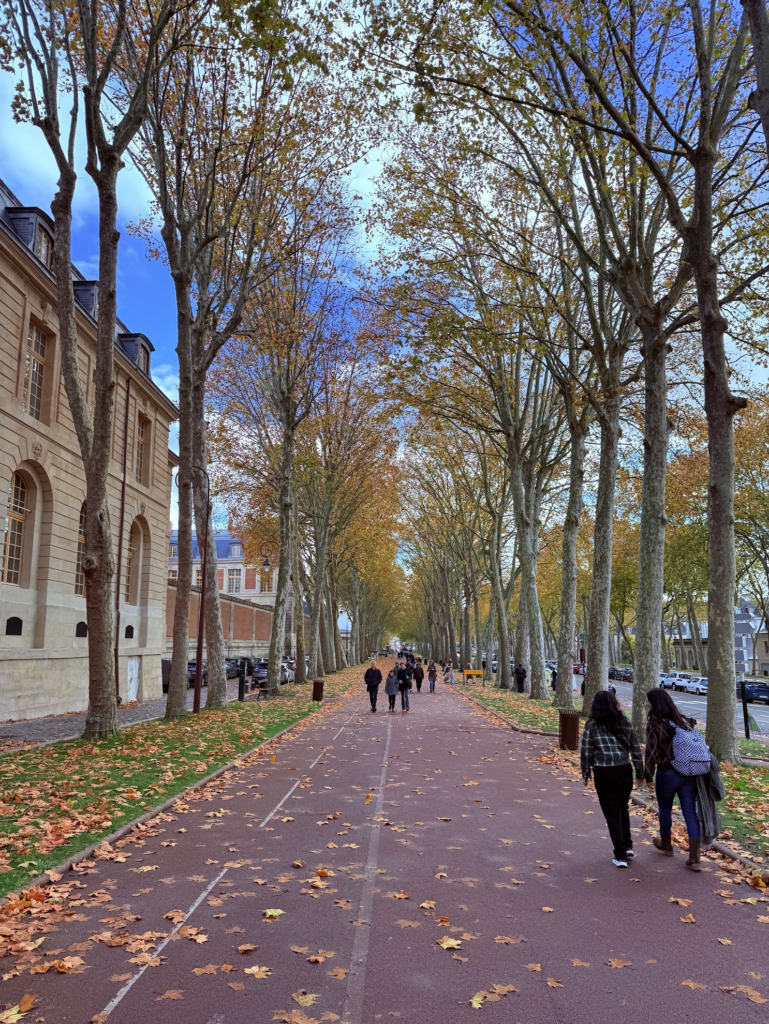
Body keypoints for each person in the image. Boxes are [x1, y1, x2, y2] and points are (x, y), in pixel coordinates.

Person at [580, 690, 644, 868]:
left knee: (612, 812)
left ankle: (620, 854)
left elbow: (587, 751)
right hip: (624, 770)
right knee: (622, 808)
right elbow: (635, 748)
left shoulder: (592, 725)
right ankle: (627, 845)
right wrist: (640, 773)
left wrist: (585, 773)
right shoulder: (624, 721)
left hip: (604, 771)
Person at [645, 688, 703, 870]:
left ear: (655, 703)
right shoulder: (682, 721)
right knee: (690, 812)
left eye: (648, 701)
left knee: (665, 809)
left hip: (667, 772)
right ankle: (695, 857)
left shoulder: (655, 724)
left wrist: (648, 775)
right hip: (688, 772)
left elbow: (651, 752)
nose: (646, 704)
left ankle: (666, 844)